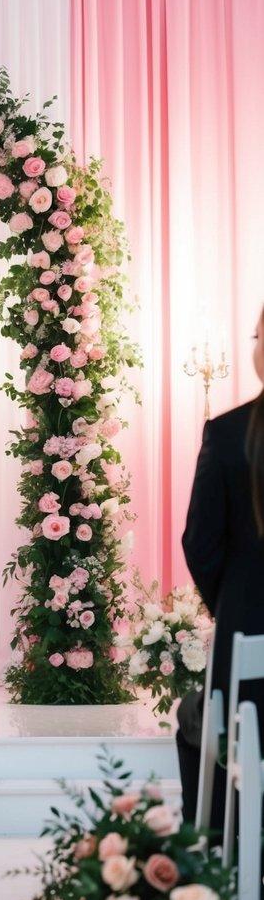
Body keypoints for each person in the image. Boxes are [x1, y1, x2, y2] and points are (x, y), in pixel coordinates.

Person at [178, 306, 264, 824]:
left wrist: (232, 607)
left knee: (197, 720)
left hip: (250, 668)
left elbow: (200, 545)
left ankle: (213, 860)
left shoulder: (229, 435)